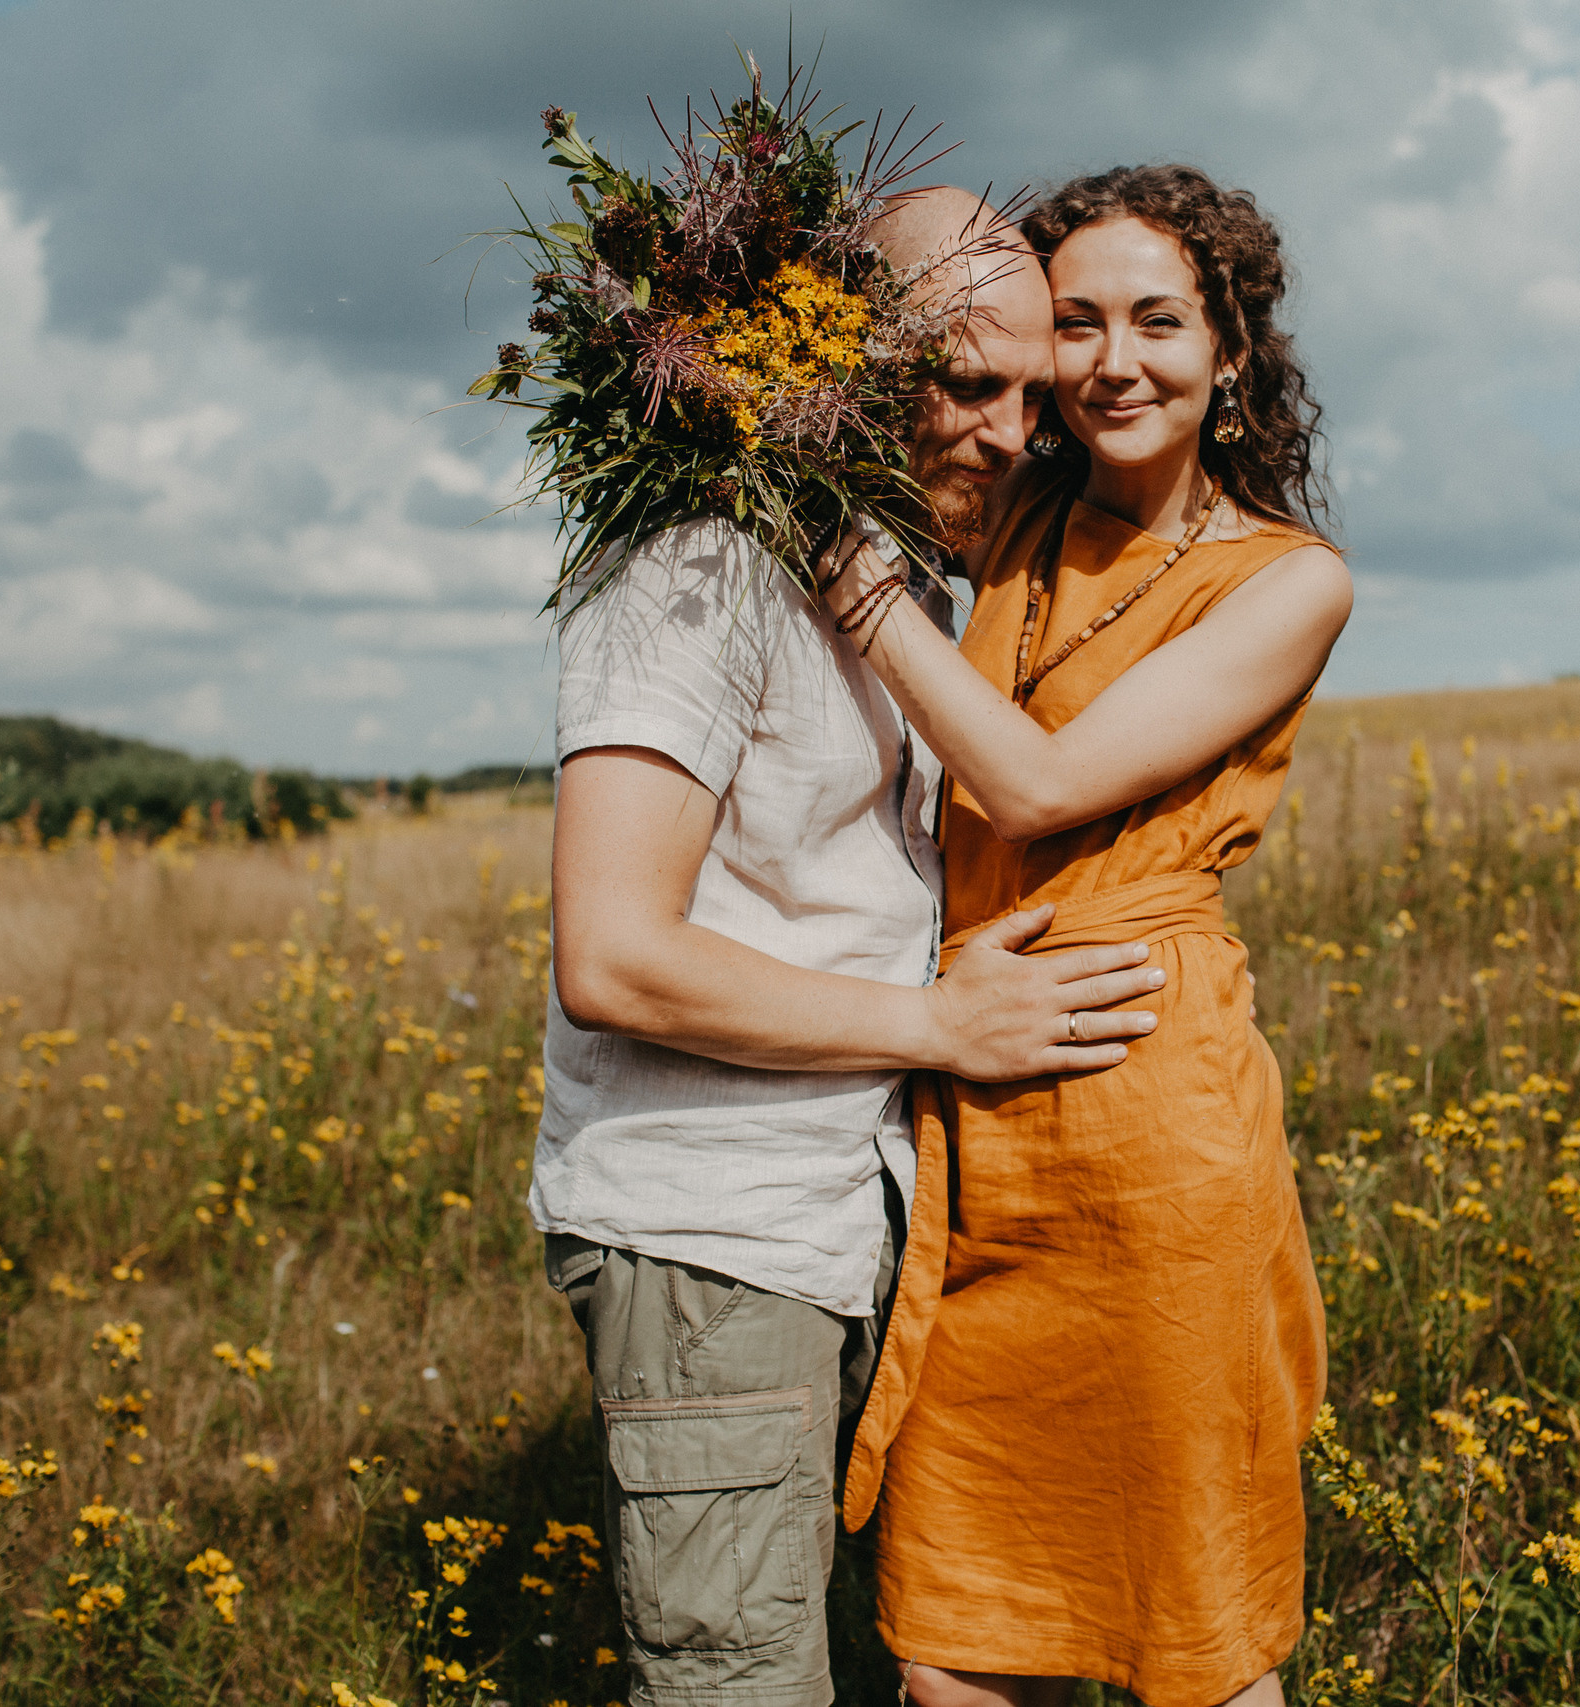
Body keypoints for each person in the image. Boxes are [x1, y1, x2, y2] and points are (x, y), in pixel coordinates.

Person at [534, 186, 1170, 1707]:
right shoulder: (694, 567)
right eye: (966, 381)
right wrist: (944, 1029)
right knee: (741, 1686)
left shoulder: (894, 592)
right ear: (844, 361)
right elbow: (613, 956)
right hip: (717, 1235)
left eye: (1034, 398)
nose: (1014, 432)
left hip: (857, 1225)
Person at [820, 165, 1351, 1707]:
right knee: (950, 1655)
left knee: (1197, 1632)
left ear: (1231, 348)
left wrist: (850, 582)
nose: (1115, 359)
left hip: (1145, 1104)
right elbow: (875, 390)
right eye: (1078, 322)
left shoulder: (1290, 582)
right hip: (973, 1116)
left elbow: (1038, 782)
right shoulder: (1017, 511)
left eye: (1160, 320)